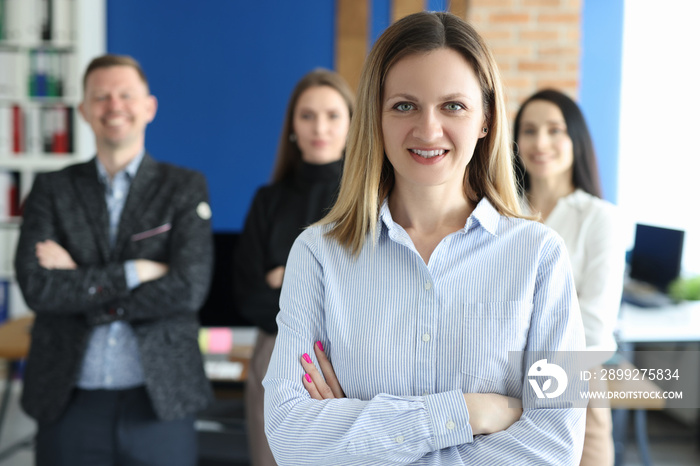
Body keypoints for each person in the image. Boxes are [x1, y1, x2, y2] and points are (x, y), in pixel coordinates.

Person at [263, 11, 587, 465]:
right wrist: (466, 413)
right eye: (404, 105)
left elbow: (556, 445)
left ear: (486, 119)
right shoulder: (318, 254)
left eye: (453, 106)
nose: (428, 130)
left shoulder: (541, 255)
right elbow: (290, 435)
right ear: (375, 116)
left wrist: (361, 436)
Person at [14, 54, 214, 466]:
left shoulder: (184, 187)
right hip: (68, 402)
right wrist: (136, 272)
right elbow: (38, 286)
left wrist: (81, 282)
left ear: (149, 107)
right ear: (84, 110)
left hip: (160, 401)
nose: (114, 106)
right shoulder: (52, 189)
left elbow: (188, 288)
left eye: (125, 94)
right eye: (101, 97)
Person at [233, 68, 353, 466]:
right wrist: (323, 282)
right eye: (307, 115)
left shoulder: (371, 199)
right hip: (276, 356)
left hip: (356, 357)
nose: (320, 126)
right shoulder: (268, 200)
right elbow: (248, 298)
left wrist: (286, 276)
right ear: (292, 127)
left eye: (333, 115)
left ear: (353, 124)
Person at [513, 89, 626, 466]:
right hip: (502, 386)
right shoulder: (500, 212)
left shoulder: (599, 218)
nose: (540, 142)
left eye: (554, 130)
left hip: (576, 381)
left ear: (575, 139)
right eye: (529, 130)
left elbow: (595, 324)